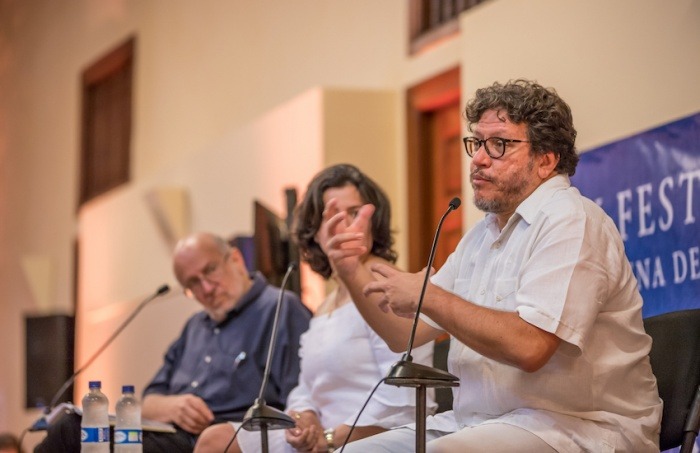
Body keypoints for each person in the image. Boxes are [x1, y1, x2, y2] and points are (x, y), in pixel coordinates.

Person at [324, 80, 662, 452]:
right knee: (353, 452)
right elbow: (402, 334)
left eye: (499, 144)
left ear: (546, 160)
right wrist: (350, 269)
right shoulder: (480, 237)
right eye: (477, 143)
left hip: (577, 427)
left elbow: (531, 347)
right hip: (481, 423)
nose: (479, 159)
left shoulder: (571, 220)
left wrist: (430, 297)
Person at [193, 164, 436, 453]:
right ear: (315, 233)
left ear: (374, 221)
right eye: (332, 216)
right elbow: (306, 386)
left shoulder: (392, 286)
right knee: (216, 440)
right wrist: (304, 417)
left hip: (379, 437)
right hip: (323, 438)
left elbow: (404, 399)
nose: (345, 224)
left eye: (355, 213)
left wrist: (331, 438)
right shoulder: (326, 305)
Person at [34, 232, 311, 452]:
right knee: (73, 423)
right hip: (166, 433)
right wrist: (172, 406)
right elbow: (148, 399)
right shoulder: (195, 327)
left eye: (210, 270)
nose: (206, 289)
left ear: (236, 259)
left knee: (71, 431)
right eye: (193, 284)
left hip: (218, 441)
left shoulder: (280, 308)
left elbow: (301, 401)